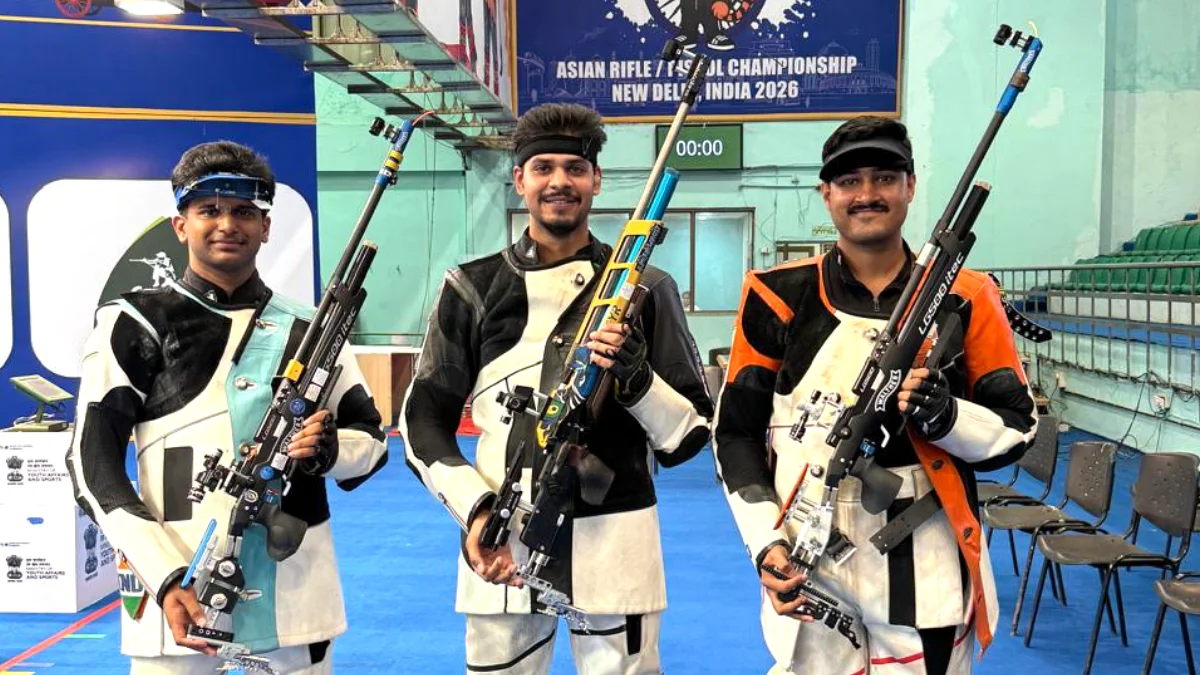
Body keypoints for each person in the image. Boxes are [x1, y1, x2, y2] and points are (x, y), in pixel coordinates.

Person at [713, 116, 1037, 674]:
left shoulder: (967, 294)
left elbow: (1018, 427)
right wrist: (766, 543)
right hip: (806, 539)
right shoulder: (775, 294)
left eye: (884, 177)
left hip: (924, 549)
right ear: (826, 194)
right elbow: (736, 433)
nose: (867, 194)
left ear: (910, 186)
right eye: (849, 181)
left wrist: (946, 417)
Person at [400, 102, 713, 674]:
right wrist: (475, 512)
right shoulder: (472, 287)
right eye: (543, 167)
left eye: (574, 167)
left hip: (616, 536)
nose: (559, 182)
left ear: (596, 180)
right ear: (519, 179)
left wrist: (637, 380)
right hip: (502, 534)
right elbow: (421, 422)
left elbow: (691, 436)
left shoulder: (647, 288)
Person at [65, 141, 389, 675]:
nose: (226, 224)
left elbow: (372, 445)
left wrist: (330, 450)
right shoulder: (135, 322)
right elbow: (90, 461)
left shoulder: (312, 329)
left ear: (265, 227)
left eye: (244, 211)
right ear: (180, 225)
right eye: (208, 210)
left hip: (294, 598)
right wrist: (165, 574)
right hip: (177, 596)